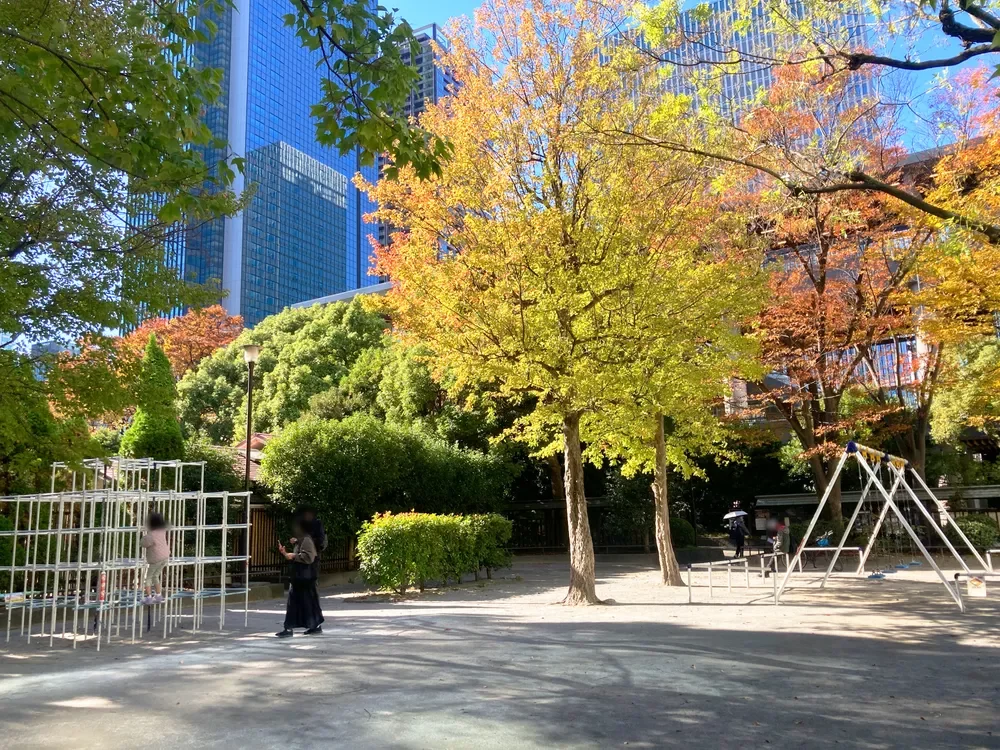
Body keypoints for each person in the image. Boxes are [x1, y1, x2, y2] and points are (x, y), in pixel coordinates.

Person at [275, 516, 324, 638]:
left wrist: (293, 556)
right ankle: (315, 626)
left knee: (294, 602)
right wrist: (286, 553)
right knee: (309, 602)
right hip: (305, 577)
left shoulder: (306, 540)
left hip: (302, 577)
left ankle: (289, 628)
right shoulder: (302, 540)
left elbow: (308, 557)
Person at [140, 511, 169, 605]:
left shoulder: (151, 535)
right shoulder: (162, 531)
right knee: (156, 576)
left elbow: (143, 544)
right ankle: (158, 595)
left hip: (156, 558)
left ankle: (148, 597)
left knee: (147, 578)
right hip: (165, 557)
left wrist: (143, 537)